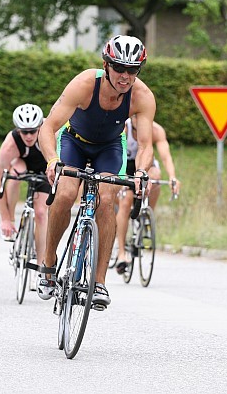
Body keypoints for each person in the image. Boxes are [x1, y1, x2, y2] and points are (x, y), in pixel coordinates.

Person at [38, 35, 156, 308]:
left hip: (110, 147)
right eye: (119, 68)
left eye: (132, 70)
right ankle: (48, 262)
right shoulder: (84, 84)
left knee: (106, 199)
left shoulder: (142, 96)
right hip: (73, 142)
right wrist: (52, 160)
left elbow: (147, 145)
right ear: (106, 65)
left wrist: (140, 173)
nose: (126, 76)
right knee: (66, 193)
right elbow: (48, 126)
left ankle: (99, 283)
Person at [114, 116, 181, 274]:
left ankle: (147, 214)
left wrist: (172, 177)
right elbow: (119, 153)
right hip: (126, 165)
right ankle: (122, 253)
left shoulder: (156, 130)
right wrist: (122, 179)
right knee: (125, 202)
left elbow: (166, 156)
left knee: (156, 176)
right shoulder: (124, 128)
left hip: (146, 165)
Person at [0, 104, 49, 270]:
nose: (29, 136)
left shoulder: (50, 132)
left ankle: (41, 264)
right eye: (24, 132)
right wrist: (4, 218)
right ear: (18, 130)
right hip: (22, 164)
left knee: (40, 213)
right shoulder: (10, 144)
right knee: (15, 173)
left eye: (33, 131)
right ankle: (11, 219)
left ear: (40, 127)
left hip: (46, 167)